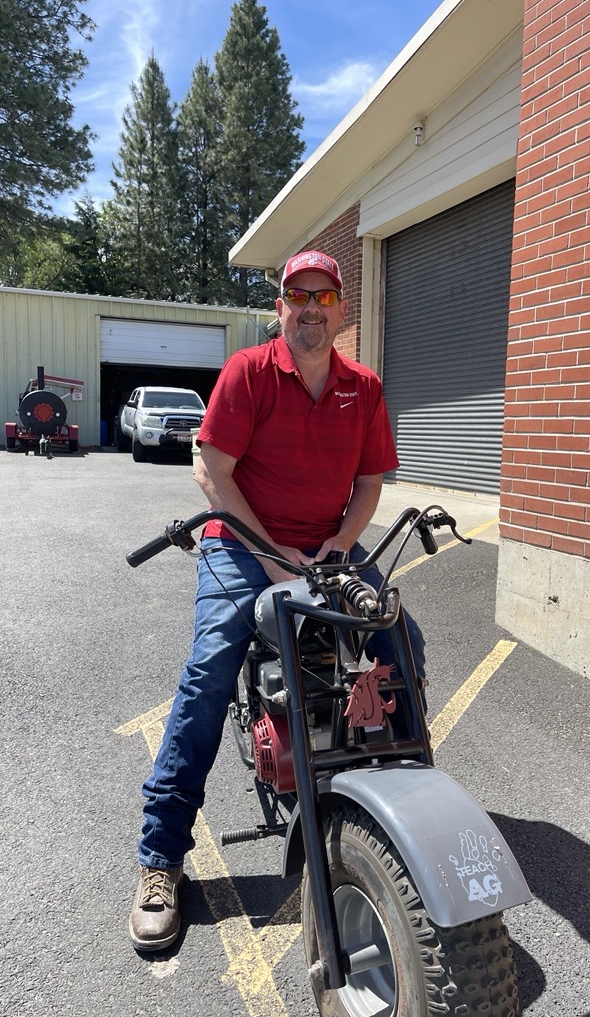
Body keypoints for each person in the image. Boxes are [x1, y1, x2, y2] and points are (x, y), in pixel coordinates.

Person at [128, 249, 426, 952]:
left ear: (341, 311)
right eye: (298, 294)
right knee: (208, 674)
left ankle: (409, 800)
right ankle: (160, 857)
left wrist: (339, 545)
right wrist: (268, 556)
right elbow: (212, 468)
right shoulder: (249, 373)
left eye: (324, 297)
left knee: (399, 640)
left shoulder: (364, 388)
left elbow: (368, 484)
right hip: (240, 542)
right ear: (280, 307)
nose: (311, 308)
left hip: (327, 546)